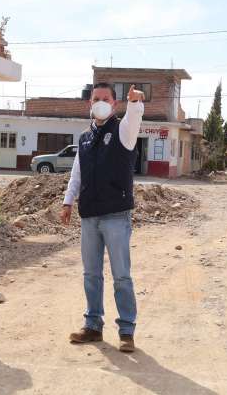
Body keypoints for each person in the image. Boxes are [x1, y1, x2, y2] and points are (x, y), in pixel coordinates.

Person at [60, 82, 144, 353]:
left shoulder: (123, 131)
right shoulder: (85, 138)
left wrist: (136, 103)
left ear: (114, 103)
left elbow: (134, 119)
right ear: (89, 103)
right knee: (91, 274)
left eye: (105, 98)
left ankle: (126, 331)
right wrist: (68, 201)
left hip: (116, 216)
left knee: (121, 276)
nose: (100, 102)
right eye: (96, 98)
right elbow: (78, 172)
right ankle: (93, 325)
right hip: (90, 217)